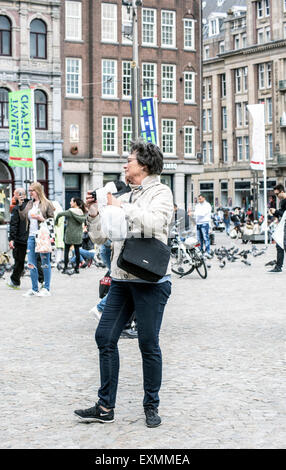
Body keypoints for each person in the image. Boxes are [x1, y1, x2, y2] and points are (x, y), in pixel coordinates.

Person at [74, 138, 173, 428]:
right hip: (120, 277)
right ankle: (105, 407)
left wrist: (121, 207)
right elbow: (102, 237)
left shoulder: (161, 192)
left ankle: (151, 406)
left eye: (128, 160)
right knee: (104, 337)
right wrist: (93, 213)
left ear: (142, 165)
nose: (124, 164)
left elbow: (156, 224)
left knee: (148, 343)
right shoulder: (123, 195)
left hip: (150, 281)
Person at [19, 182, 55, 297]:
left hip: (42, 236)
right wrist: (20, 206)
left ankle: (46, 288)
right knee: (31, 263)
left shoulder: (47, 203)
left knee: (45, 263)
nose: (30, 193)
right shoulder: (30, 203)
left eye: (31, 190)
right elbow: (23, 217)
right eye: (29, 191)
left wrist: (42, 219)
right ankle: (34, 288)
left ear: (38, 191)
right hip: (31, 237)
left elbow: (52, 219)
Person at [55, 198, 87, 274]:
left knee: (66, 252)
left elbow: (59, 214)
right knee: (77, 251)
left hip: (69, 234)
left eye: (71, 201)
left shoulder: (70, 211)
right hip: (78, 235)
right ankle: (76, 268)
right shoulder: (81, 212)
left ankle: (65, 267)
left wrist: (56, 221)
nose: (70, 203)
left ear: (75, 203)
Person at [267, 184, 286, 273]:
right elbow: (282, 215)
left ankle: (278, 267)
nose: (276, 196)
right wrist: (274, 213)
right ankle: (278, 266)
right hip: (283, 226)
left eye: (277, 194)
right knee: (279, 245)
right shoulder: (282, 202)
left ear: (282, 191)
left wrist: (277, 211)